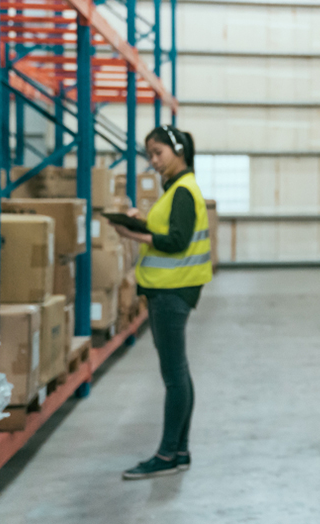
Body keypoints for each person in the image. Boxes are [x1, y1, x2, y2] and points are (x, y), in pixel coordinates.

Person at [110, 125, 212, 480]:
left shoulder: (183, 190)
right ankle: (179, 451)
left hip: (172, 291)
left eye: (158, 153)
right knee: (179, 373)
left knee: (174, 377)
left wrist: (131, 232)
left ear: (178, 149)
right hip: (170, 289)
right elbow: (168, 231)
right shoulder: (176, 189)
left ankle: (167, 455)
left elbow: (176, 242)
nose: (153, 161)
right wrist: (142, 222)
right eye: (150, 155)